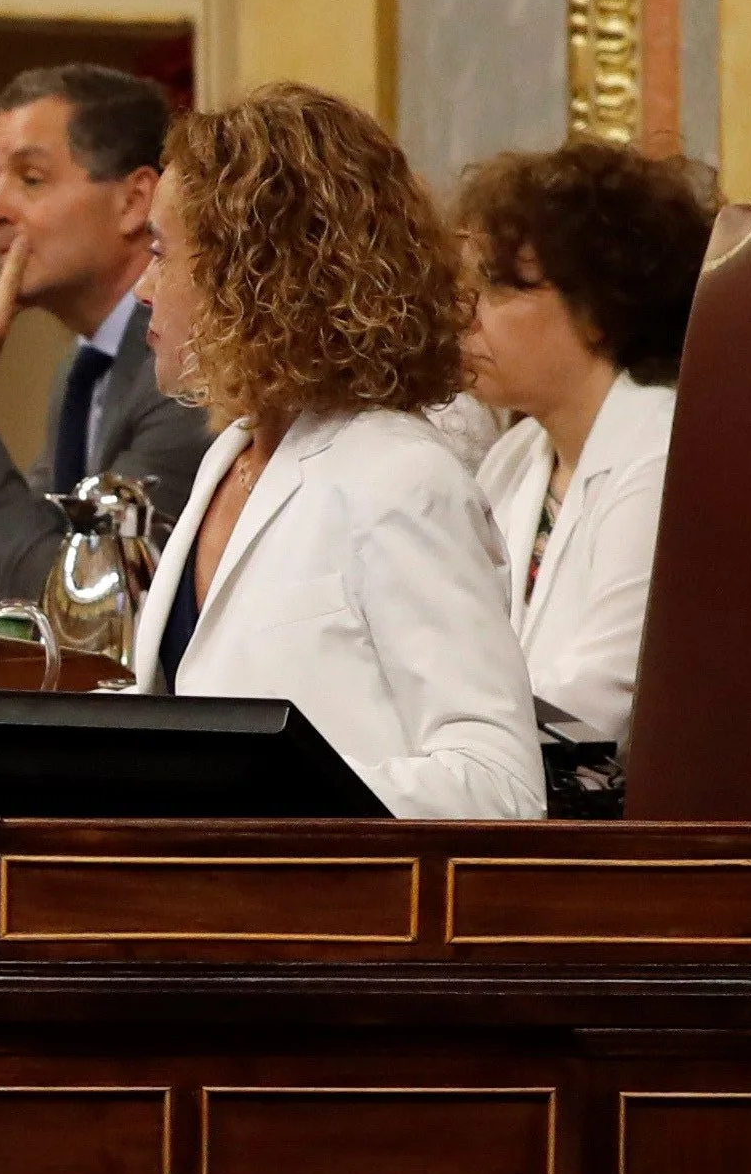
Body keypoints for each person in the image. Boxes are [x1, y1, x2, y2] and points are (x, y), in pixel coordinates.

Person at [129, 84, 542, 821]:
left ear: (249, 270)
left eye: (161, 255)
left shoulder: (399, 476)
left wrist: (252, 789)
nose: (141, 288)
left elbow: (499, 785)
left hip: (339, 922)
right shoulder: (228, 457)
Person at [456, 141, 716, 818]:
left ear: (601, 305)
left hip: (620, 835)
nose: (469, 314)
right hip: (512, 805)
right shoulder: (515, 458)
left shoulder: (663, 454)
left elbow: (601, 705)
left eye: (505, 286)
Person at [0, 62, 216, 602]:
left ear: (134, 201)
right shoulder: (86, 365)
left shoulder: (184, 367)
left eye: (30, 179)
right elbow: (18, 553)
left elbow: (75, 604)